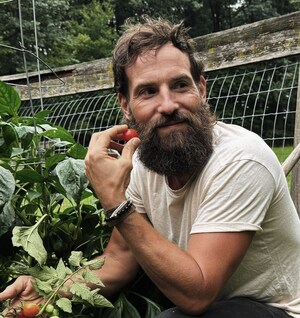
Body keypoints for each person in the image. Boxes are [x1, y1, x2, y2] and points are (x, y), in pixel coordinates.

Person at [1, 16, 300, 318]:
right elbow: (119, 259)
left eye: (180, 85)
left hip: (277, 310)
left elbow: (197, 294)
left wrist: (116, 203)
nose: (168, 105)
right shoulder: (145, 163)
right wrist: (46, 288)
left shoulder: (240, 159)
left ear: (202, 90)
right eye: (148, 91)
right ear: (125, 106)